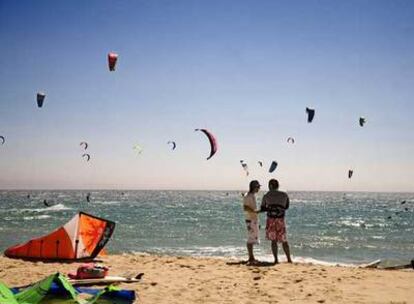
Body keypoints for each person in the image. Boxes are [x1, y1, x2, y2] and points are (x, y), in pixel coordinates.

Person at [260, 179, 292, 264]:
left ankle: (276, 260)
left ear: (270, 186)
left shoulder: (266, 195)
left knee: (273, 241)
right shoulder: (284, 194)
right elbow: (286, 206)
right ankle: (289, 259)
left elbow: (263, 207)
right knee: (284, 240)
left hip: (271, 220)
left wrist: (270, 207)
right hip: (280, 219)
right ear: (278, 185)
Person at [242, 180, 261, 265]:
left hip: (253, 219)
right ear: (254, 187)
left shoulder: (252, 195)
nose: (259, 188)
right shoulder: (248, 195)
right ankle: (250, 258)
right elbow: (245, 207)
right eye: (258, 187)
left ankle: (251, 257)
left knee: (252, 238)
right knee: (250, 239)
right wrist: (255, 211)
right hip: (250, 219)